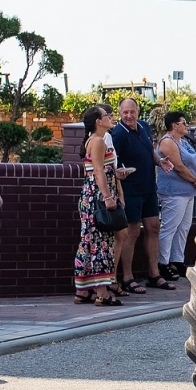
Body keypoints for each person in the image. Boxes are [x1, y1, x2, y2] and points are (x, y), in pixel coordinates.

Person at [109, 98, 171, 292]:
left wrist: (160, 161)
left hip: (148, 187)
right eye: (125, 112)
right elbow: (112, 162)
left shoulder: (144, 127)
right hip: (130, 189)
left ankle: (154, 273)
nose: (128, 115)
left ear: (138, 111)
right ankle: (127, 277)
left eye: (131, 111)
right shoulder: (117, 134)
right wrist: (119, 173)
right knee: (132, 230)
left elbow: (150, 150)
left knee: (154, 227)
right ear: (120, 113)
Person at [75, 104, 123, 305]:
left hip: (91, 196)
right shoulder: (97, 141)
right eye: (106, 116)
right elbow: (98, 170)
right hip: (97, 197)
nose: (110, 118)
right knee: (100, 243)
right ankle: (102, 292)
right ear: (98, 121)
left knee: (90, 240)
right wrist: (108, 197)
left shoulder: (93, 140)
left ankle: (84, 290)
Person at [156, 111, 196, 282]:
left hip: (188, 191)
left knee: (183, 227)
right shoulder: (167, 142)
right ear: (174, 125)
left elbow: (194, 161)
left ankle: (177, 259)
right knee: (170, 226)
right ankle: (163, 263)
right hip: (174, 191)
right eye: (183, 122)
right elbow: (179, 167)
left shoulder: (184, 141)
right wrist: (195, 181)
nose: (186, 125)